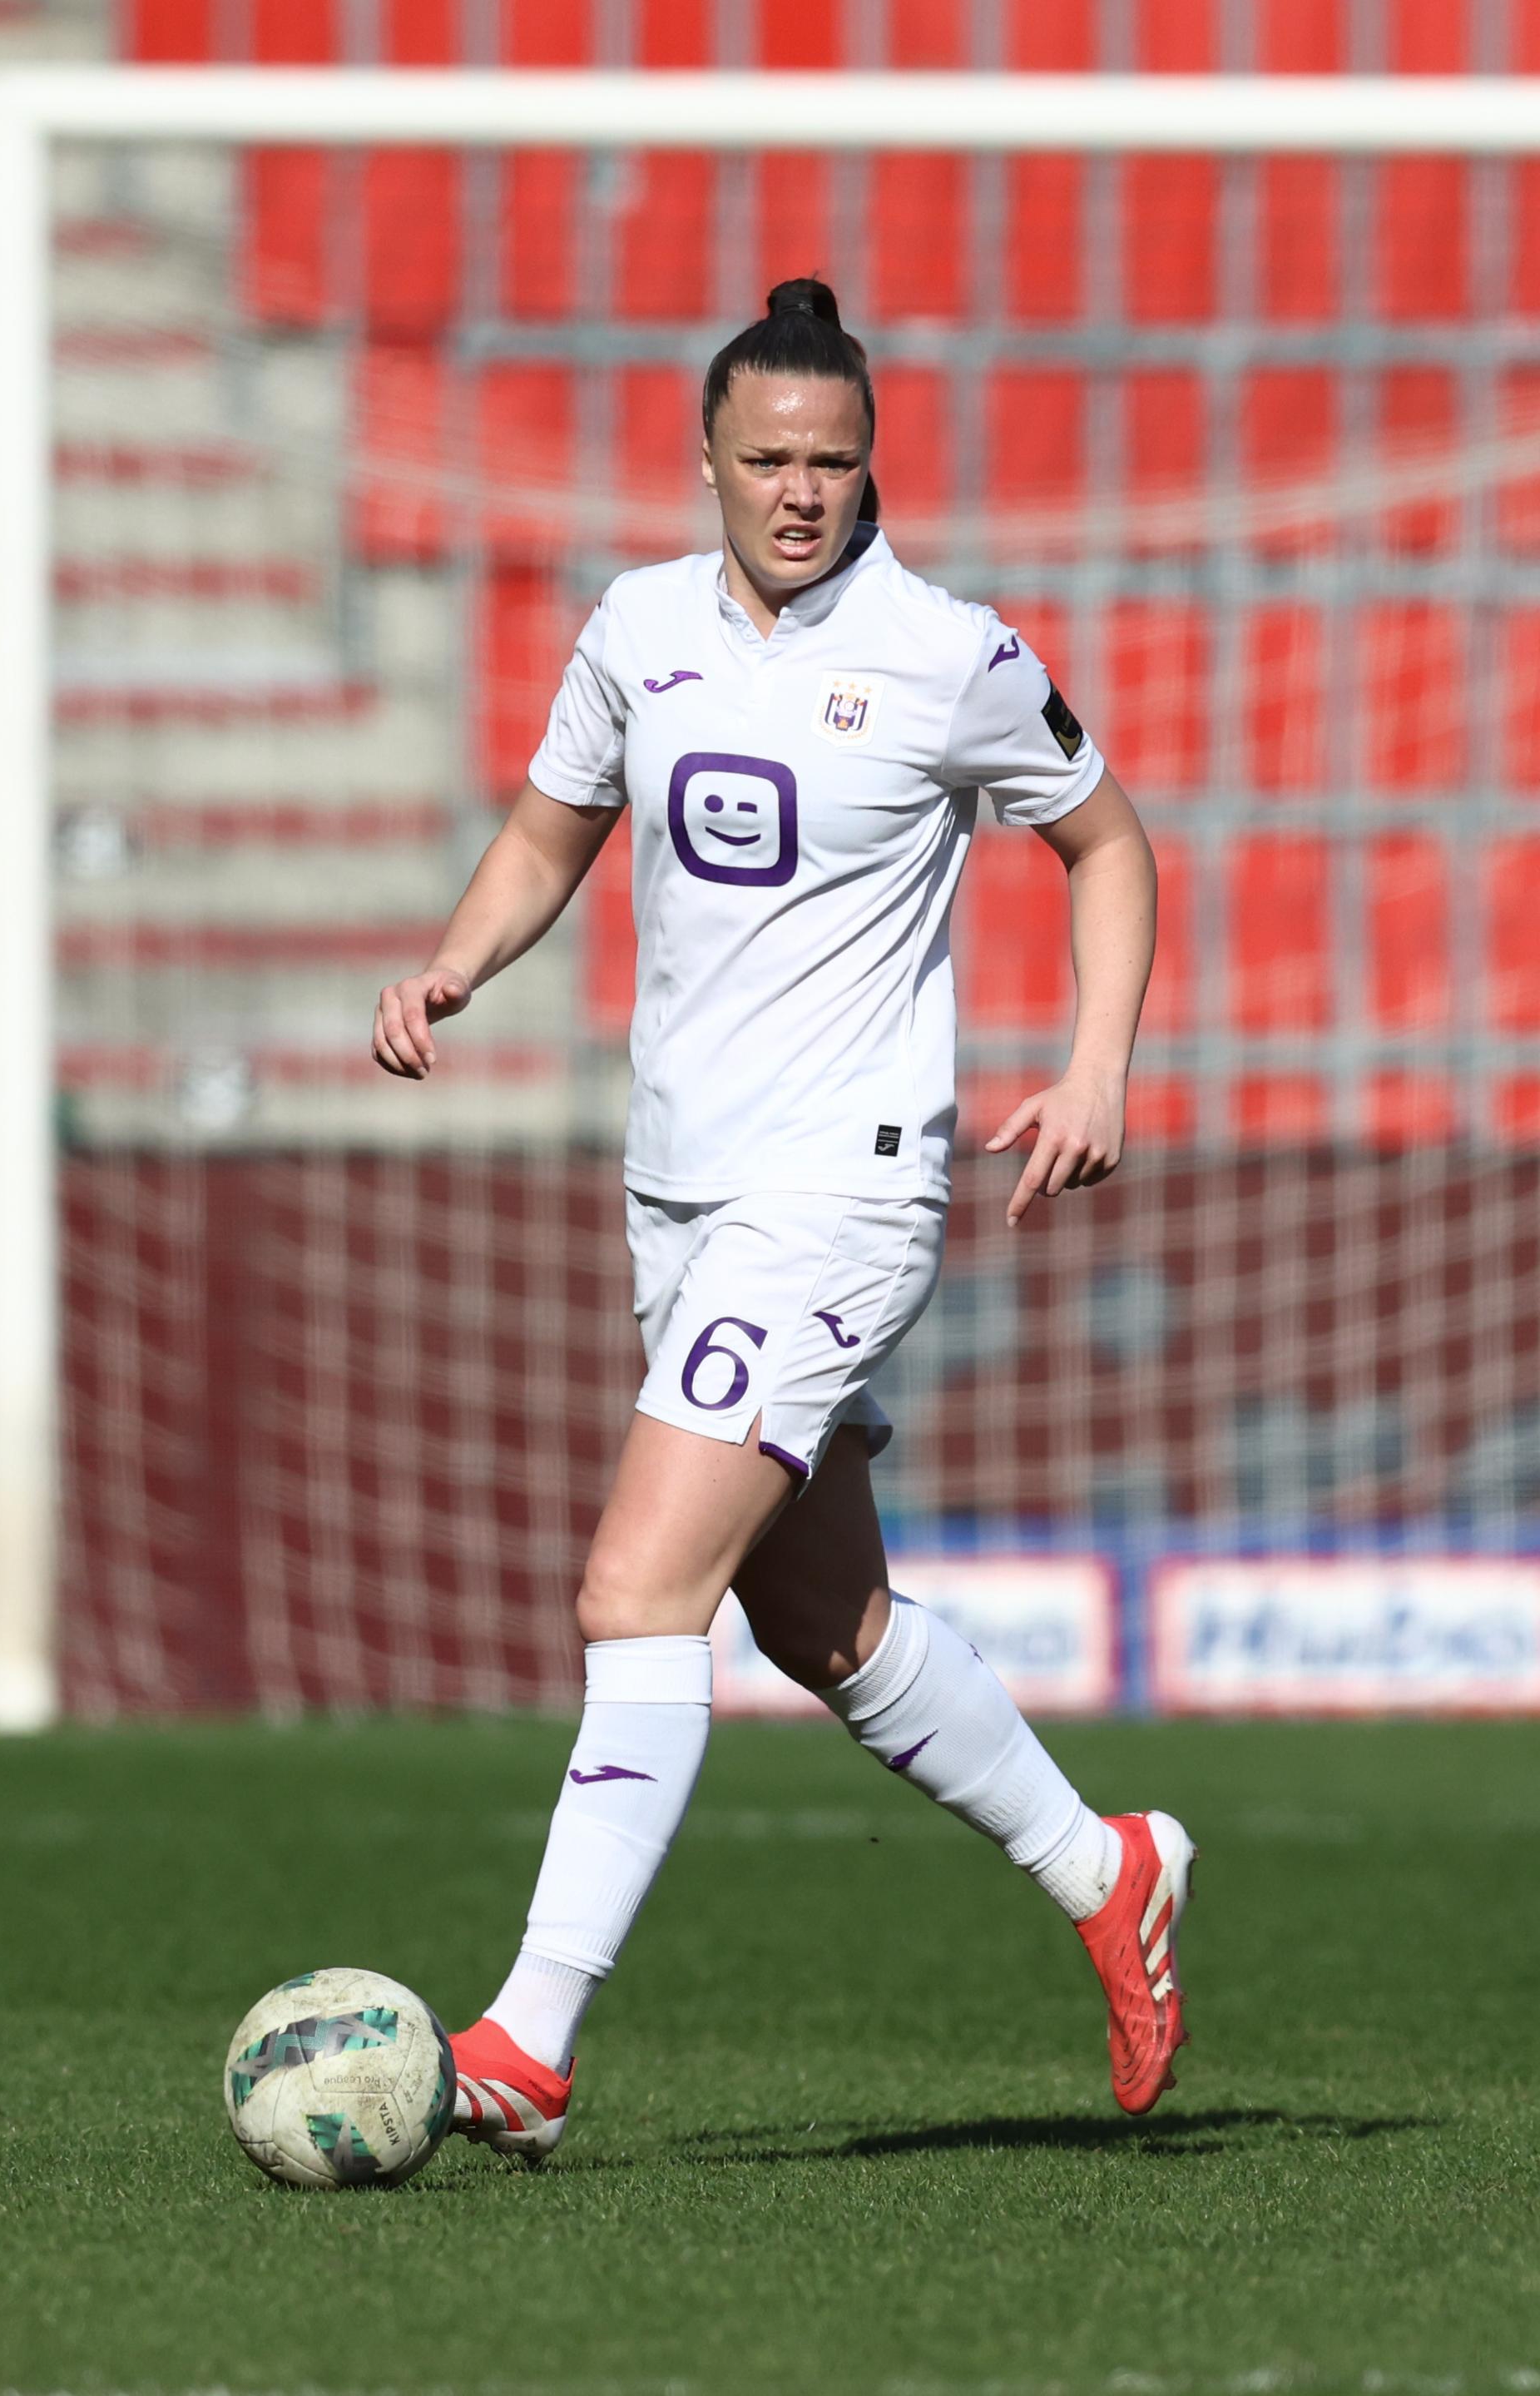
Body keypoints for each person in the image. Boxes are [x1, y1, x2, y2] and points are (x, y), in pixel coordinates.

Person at [372, 279, 1190, 2162]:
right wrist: (458, 962)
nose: (803, 494)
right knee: (822, 1618)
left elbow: (1113, 843)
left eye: (834, 462)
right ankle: (1107, 1864)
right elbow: (548, 828)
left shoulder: (948, 653)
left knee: (635, 1590)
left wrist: (1098, 1068)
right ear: (713, 463)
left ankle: (528, 2038)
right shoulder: (637, 628)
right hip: (683, 1184)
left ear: (870, 461)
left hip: (845, 1184)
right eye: (771, 463)